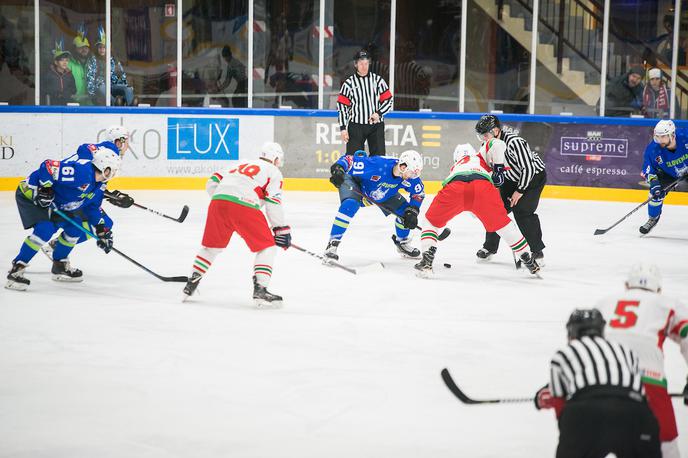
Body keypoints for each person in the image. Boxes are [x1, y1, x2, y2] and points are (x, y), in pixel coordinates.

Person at [534, 308, 661, 458]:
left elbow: (559, 404)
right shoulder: (626, 351)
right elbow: (642, 395)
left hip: (585, 412)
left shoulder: (564, 353)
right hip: (637, 413)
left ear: (572, 331)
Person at [594, 263, 688, 458]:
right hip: (649, 382)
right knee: (665, 442)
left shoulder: (604, 303)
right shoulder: (667, 303)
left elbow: (583, 342)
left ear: (627, 286)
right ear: (659, 289)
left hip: (601, 381)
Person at [183, 142, 290, 307]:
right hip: (244, 206)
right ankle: (260, 289)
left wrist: (225, 199)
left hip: (218, 202)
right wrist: (281, 230)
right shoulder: (273, 171)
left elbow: (211, 182)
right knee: (267, 247)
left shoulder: (241, 163)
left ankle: (191, 283)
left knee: (211, 248)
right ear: (275, 159)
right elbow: (273, 203)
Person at [414, 140, 540, 277]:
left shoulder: (456, 166)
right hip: (483, 188)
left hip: (455, 187)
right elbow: (498, 144)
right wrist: (498, 168)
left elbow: (465, 196)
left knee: (431, 222)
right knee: (504, 225)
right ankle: (527, 257)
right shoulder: (480, 156)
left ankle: (427, 260)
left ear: (456, 158)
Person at [5, 147, 120, 290]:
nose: (114, 173)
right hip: (31, 194)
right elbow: (48, 166)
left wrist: (101, 230)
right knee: (45, 229)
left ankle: (59, 266)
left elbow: (92, 208)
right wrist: (45, 189)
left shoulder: (99, 185)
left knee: (75, 228)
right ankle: (17, 269)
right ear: (104, 167)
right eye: (113, 170)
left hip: (57, 202)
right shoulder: (82, 173)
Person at [40, 125, 132, 261]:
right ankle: (58, 246)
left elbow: (94, 181)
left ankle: (57, 245)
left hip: (69, 188)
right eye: (126, 142)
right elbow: (87, 173)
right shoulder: (111, 151)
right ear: (119, 141)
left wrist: (111, 194)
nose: (127, 147)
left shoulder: (105, 149)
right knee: (104, 224)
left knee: (104, 223)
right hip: (67, 192)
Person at [324, 149, 425, 261]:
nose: (413, 176)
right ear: (403, 167)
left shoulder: (411, 178)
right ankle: (332, 245)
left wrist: (413, 210)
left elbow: (418, 193)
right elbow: (349, 159)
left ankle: (402, 243)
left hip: (383, 192)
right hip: (358, 186)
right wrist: (338, 168)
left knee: (406, 212)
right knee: (350, 205)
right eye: (412, 173)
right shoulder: (378, 164)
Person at [474, 114, 547, 265]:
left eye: (485, 135)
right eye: (481, 137)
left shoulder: (515, 142)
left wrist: (519, 191)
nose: (483, 140)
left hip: (533, 177)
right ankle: (490, 247)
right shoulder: (487, 146)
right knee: (494, 210)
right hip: (510, 177)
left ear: (495, 131)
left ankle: (537, 252)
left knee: (522, 212)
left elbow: (528, 168)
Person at [337, 49, 393, 156]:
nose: (364, 66)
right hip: (356, 126)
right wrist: (343, 128)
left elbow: (388, 100)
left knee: (378, 158)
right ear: (356, 64)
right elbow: (342, 107)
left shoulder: (378, 81)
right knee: (354, 159)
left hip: (376, 126)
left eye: (366, 63)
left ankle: (376, 174)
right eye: (361, 63)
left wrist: (379, 113)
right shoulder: (349, 84)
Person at [639, 119, 688, 234]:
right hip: (668, 174)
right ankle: (653, 218)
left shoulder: (685, 136)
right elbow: (648, 169)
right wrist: (655, 184)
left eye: (663, 136)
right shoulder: (653, 150)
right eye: (657, 136)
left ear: (672, 135)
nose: (660, 140)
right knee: (654, 194)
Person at [86, 26, 134, 106]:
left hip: (112, 86)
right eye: (100, 47)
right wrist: (92, 94)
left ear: (109, 48)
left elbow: (121, 75)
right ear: (97, 48)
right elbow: (90, 78)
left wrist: (123, 85)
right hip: (100, 88)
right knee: (101, 87)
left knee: (128, 89)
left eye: (104, 47)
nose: (102, 50)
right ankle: (115, 103)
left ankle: (131, 107)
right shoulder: (93, 60)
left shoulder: (114, 60)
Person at [43, 39, 76, 105]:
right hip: (52, 107)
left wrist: (66, 94)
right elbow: (44, 89)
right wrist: (57, 94)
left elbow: (74, 90)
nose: (65, 63)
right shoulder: (49, 74)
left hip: (67, 105)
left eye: (66, 60)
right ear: (56, 62)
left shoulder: (69, 74)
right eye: (62, 60)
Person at [68, 24, 91, 105]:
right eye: (80, 47)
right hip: (74, 106)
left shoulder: (93, 63)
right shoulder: (68, 64)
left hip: (92, 107)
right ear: (74, 49)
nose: (84, 49)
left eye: (86, 47)